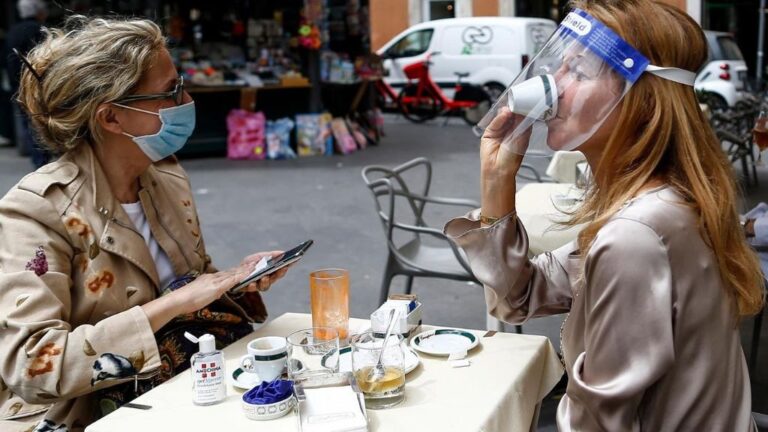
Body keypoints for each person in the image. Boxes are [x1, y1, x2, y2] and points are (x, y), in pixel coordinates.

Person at [445, 0, 765, 430]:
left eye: (577, 71)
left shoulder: (636, 234)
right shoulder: (668, 202)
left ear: (642, 100)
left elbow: (595, 423)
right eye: (560, 65)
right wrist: (497, 179)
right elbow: (518, 296)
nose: (552, 85)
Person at [0, 17, 289, 431]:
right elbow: (33, 366)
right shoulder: (36, 210)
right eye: (171, 91)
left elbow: (194, 285)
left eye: (182, 82)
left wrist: (238, 280)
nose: (187, 99)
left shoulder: (165, 177)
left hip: (185, 387)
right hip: (88, 415)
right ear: (111, 118)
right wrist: (174, 304)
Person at [4, 0, 50, 168]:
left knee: (28, 123)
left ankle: (39, 160)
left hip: (18, 84)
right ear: (39, 12)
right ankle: (42, 160)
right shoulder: (38, 30)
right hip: (37, 84)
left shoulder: (13, 31)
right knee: (41, 120)